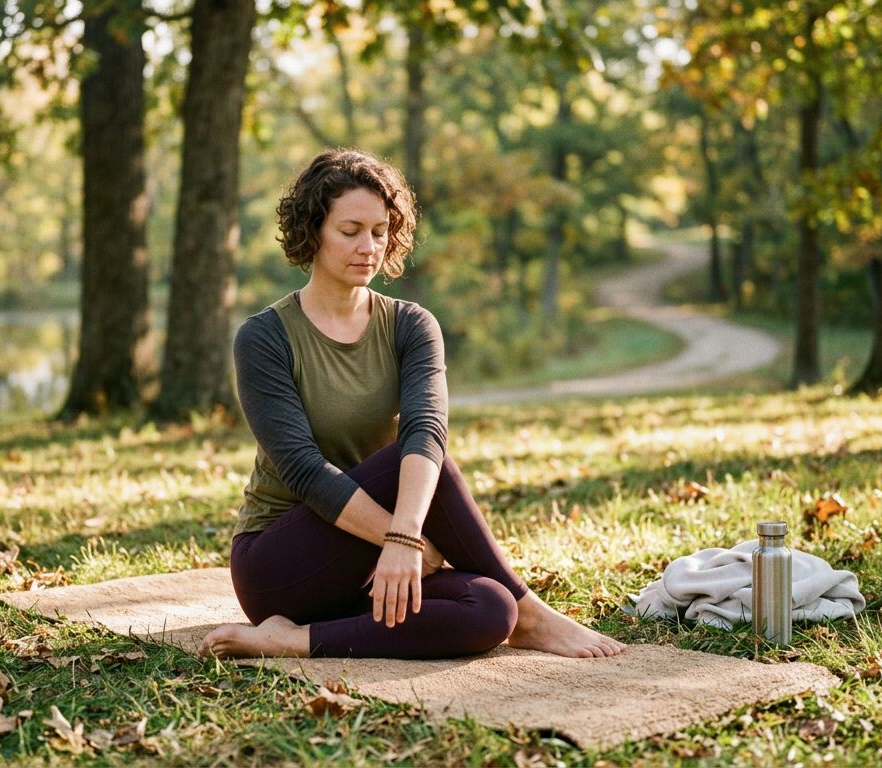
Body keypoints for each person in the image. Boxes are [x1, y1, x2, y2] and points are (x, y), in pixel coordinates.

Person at [197, 149, 626, 660]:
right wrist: (405, 539)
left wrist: (399, 542)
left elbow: (428, 428)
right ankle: (533, 613)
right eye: (350, 230)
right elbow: (305, 471)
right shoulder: (264, 337)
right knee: (417, 461)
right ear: (313, 232)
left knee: (489, 608)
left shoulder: (411, 324)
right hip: (286, 565)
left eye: (380, 231)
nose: (369, 247)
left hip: (371, 555)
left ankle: (291, 640)